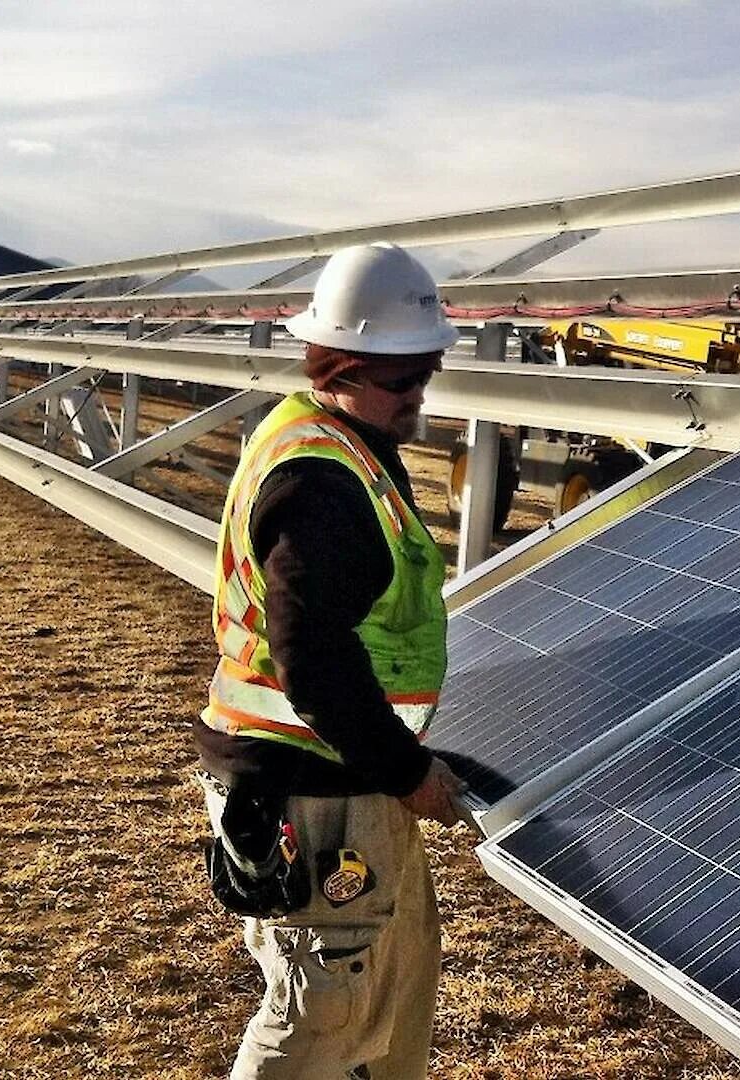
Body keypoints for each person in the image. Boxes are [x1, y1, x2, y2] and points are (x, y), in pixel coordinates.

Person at [194, 242, 467, 1079]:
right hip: (317, 785)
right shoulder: (322, 478)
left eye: (427, 372)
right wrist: (405, 768)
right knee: (323, 1016)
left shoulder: (328, 435)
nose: (417, 395)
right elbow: (312, 656)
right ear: (339, 364)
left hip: (342, 774)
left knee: (394, 984)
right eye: (399, 379)